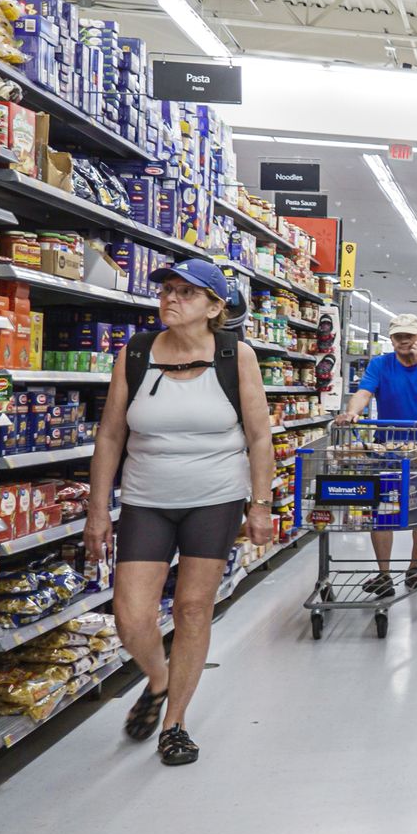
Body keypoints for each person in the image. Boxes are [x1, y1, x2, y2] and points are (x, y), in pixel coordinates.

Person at [86, 259, 275, 767]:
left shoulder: (238, 356)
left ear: (215, 307)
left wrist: (261, 503)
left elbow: (259, 437)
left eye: (186, 293)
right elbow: (110, 435)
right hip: (147, 496)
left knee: (193, 607)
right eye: (167, 290)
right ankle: (159, 676)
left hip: (215, 496)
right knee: (130, 615)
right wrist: (97, 510)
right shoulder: (138, 352)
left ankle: (175, 722)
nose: (170, 299)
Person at [335, 313, 417, 596]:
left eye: (409, 336)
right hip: (386, 448)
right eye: (399, 336)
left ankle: (415, 566)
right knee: (381, 511)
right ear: (391, 339)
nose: (404, 341)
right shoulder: (381, 364)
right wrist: (353, 411)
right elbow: (364, 391)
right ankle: (384, 573)